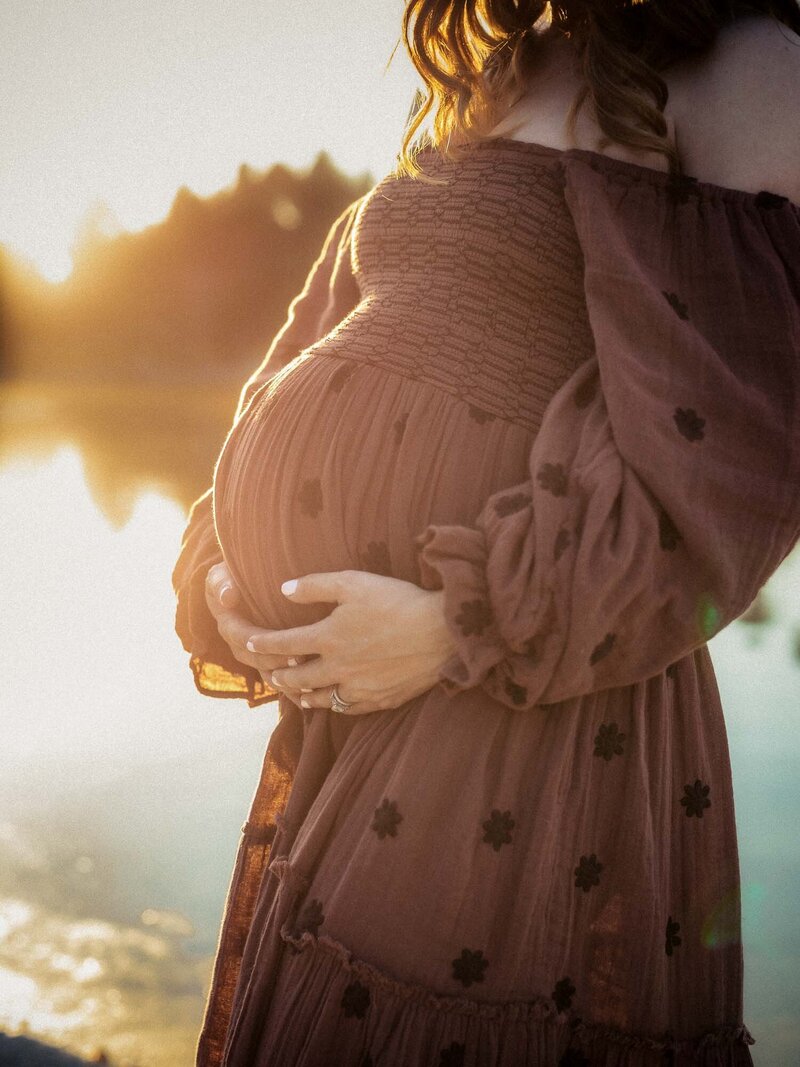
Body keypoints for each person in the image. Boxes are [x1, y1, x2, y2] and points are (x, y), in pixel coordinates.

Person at [172, 2, 800, 1064]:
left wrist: (456, 627)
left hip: (533, 706)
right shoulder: (510, 64)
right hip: (352, 709)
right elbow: (314, 333)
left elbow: (732, 465)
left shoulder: (749, 64)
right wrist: (225, 559)